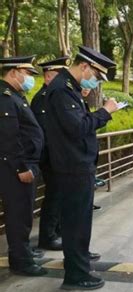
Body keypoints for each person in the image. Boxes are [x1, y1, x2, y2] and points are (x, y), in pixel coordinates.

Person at [43, 46, 118, 290]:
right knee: (76, 222)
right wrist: (105, 112)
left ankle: (78, 261)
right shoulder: (63, 91)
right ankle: (77, 274)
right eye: (97, 76)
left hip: (76, 165)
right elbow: (78, 128)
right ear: (85, 66)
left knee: (79, 220)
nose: (96, 82)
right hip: (73, 167)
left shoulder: (70, 88)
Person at [0, 55, 46, 276]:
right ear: (13, 72)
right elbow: (9, 138)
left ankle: (23, 252)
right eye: (27, 73)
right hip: (16, 170)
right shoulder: (5, 97)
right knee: (19, 215)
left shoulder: (16, 95)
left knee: (24, 213)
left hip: (23, 166)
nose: (29, 78)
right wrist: (21, 168)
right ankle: (21, 261)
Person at [31, 56, 70, 251]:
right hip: (50, 158)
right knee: (53, 196)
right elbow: (45, 133)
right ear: (48, 77)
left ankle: (57, 230)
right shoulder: (43, 99)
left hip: (58, 157)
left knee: (60, 195)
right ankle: (47, 237)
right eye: (59, 76)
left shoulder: (54, 95)